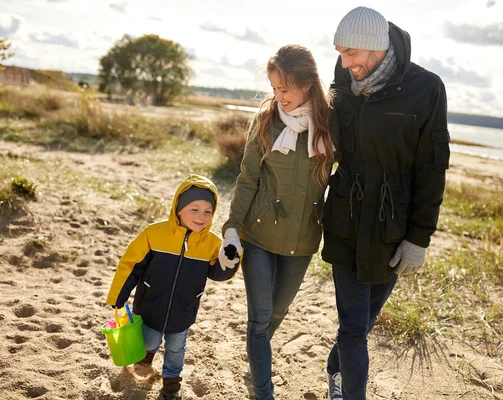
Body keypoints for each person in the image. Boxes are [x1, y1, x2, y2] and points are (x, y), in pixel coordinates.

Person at [322, 6, 450, 400]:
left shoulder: (426, 88)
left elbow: (432, 167)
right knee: (354, 328)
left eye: (351, 53)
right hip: (345, 214)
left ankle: (336, 371)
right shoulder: (343, 77)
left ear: (375, 47)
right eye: (340, 53)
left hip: (392, 224)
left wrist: (419, 238)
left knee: (366, 319)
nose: (345, 63)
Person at [221, 44, 337, 400]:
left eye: (284, 89)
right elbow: (247, 178)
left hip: (302, 241)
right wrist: (231, 228)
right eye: (274, 89)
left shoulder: (332, 124)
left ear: (306, 83)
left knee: (278, 311)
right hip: (257, 235)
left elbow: (348, 178)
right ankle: (263, 390)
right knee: (259, 318)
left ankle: (257, 354)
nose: (278, 97)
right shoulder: (266, 121)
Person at [106, 174, 239, 400]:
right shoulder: (154, 234)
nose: (201, 217)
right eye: (194, 209)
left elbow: (218, 274)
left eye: (208, 211)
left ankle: (171, 385)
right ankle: (146, 358)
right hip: (150, 306)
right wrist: (119, 294)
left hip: (183, 311)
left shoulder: (212, 244)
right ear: (178, 208)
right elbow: (131, 265)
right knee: (150, 341)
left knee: (177, 350)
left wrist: (230, 261)